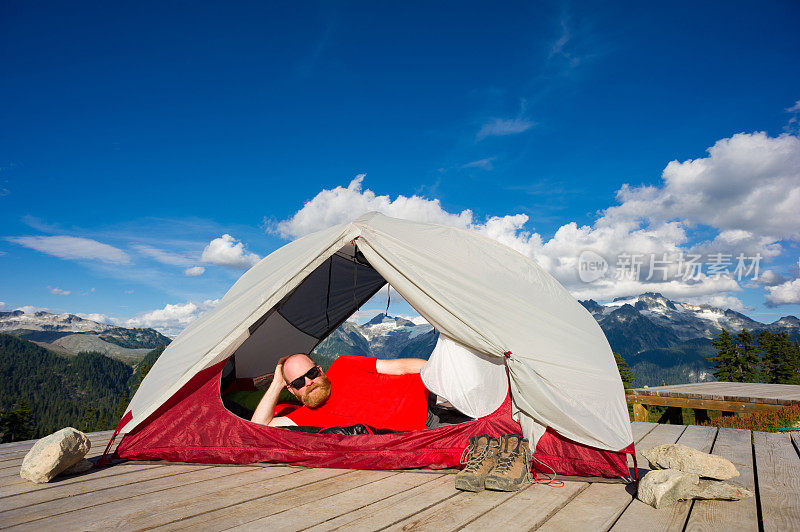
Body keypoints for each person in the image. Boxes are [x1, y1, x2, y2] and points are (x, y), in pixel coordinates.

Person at [250, 353, 428, 431]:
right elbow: (257, 426)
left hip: (431, 388)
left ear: (320, 370)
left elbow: (400, 367)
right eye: (298, 382)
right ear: (291, 389)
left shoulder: (343, 365)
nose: (308, 382)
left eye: (311, 374)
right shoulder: (303, 418)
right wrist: (276, 383)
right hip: (431, 424)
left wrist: (440, 373)